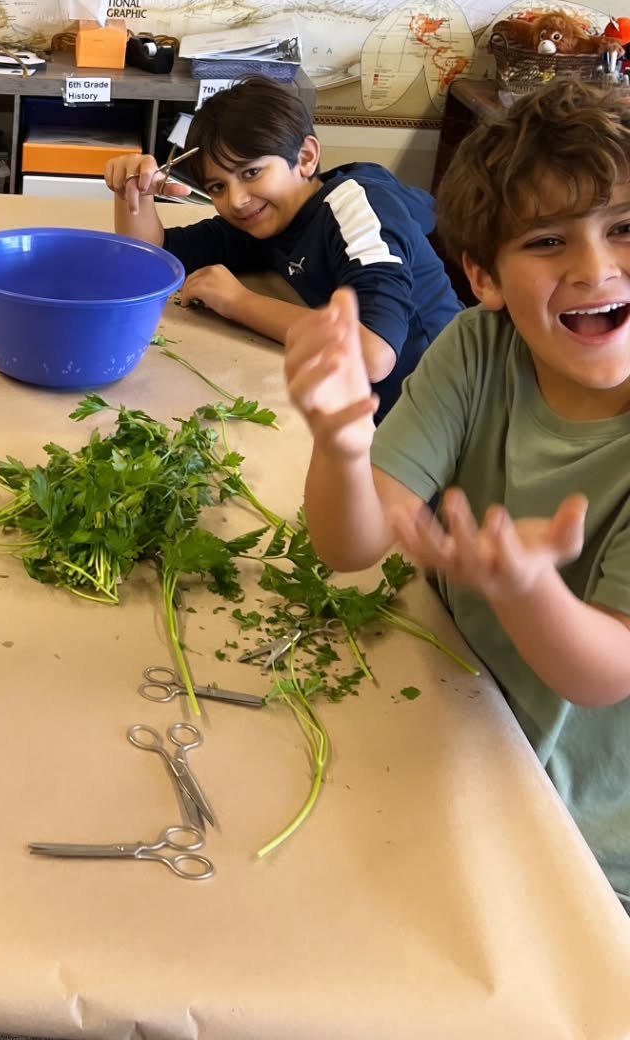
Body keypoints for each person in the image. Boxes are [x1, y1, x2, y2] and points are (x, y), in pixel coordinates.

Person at [284, 79, 630, 912]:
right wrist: (340, 444)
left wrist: (523, 588)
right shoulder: (480, 349)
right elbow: (351, 543)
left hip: (580, 831)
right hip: (459, 714)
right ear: (485, 277)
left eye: (623, 228)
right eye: (548, 241)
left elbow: (604, 671)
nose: (594, 267)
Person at [104, 75, 460, 416]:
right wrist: (132, 191)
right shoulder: (264, 220)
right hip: (369, 409)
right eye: (217, 187)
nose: (237, 200)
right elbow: (150, 261)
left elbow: (371, 354)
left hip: (446, 413)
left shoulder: (355, 207)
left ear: (305, 157)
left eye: (251, 173)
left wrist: (239, 303)